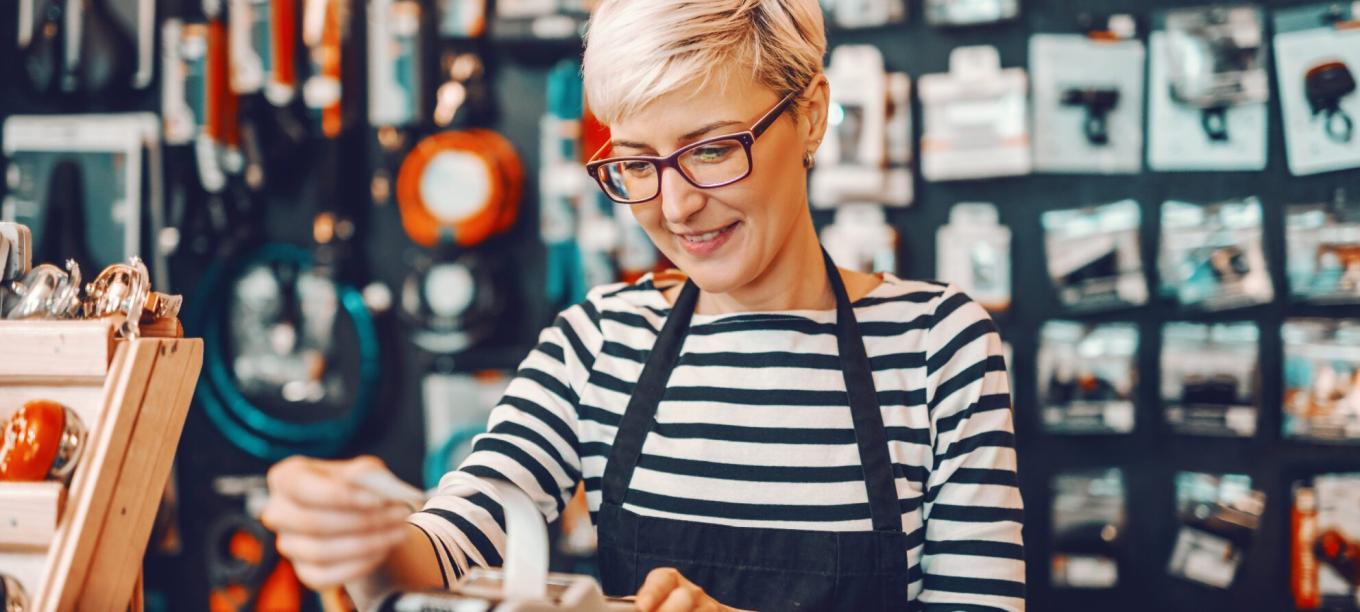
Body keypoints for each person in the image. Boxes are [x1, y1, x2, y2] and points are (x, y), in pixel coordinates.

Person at [261, 1, 1025, 609]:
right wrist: (363, 543)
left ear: (813, 115)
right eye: (636, 163)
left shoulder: (937, 348)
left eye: (712, 150)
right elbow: (464, 537)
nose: (676, 205)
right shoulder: (598, 343)